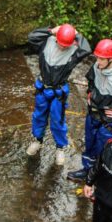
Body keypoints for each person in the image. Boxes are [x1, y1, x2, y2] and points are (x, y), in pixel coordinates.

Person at [67, 39, 112, 182]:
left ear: (111, 59)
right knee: (89, 144)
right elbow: (91, 80)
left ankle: (97, 177)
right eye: (97, 57)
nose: (98, 61)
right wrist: (90, 92)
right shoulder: (96, 67)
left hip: (108, 122)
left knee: (102, 150)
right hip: (93, 114)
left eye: (101, 58)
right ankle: (86, 171)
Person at [26, 24, 91, 165]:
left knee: (57, 120)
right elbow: (31, 37)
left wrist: (77, 34)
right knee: (39, 116)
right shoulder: (46, 42)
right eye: (61, 44)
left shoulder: (74, 52)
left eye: (65, 45)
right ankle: (37, 140)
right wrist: (50, 30)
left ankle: (60, 148)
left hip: (58, 92)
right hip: (43, 88)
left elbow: (86, 49)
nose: (62, 47)